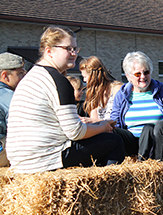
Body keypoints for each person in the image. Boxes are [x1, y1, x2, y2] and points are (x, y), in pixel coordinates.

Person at [6, 25, 125, 173]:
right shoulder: (57, 81)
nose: (74, 53)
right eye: (68, 48)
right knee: (114, 141)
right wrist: (103, 126)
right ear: (49, 51)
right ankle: (105, 192)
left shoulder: (33, 76)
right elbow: (75, 132)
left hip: (21, 161)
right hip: (45, 159)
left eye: (75, 48)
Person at [110, 51, 163, 160]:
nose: (143, 77)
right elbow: (115, 120)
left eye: (146, 72)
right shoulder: (122, 94)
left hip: (156, 141)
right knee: (113, 132)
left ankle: (143, 163)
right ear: (128, 76)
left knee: (148, 128)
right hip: (132, 141)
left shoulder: (162, 91)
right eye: (137, 74)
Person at [0, 52, 26, 167]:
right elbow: (22, 128)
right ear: (5, 76)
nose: (24, 77)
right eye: (20, 73)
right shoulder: (8, 96)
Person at [79, 56, 123, 121]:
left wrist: (92, 121)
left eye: (85, 76)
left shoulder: (117, 88)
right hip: (101, 129)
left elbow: (116, 120)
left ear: (93, 76)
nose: (84, 80)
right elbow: (94, 119)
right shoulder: (94, 92)